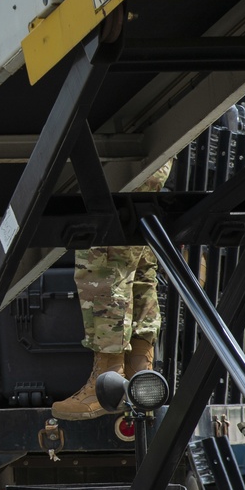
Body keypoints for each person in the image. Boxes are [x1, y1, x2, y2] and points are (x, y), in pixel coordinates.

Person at [52, 159, 174, 420]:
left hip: (118, 163)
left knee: (102, 265)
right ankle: (139, 377)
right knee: (139, 268)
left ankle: (108, 384)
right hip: (154, 158)